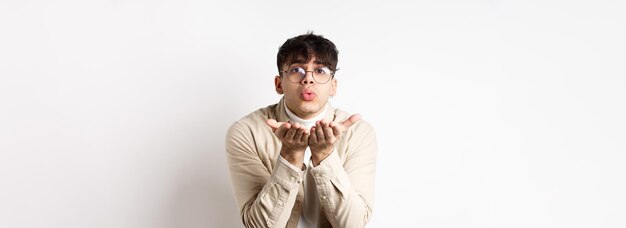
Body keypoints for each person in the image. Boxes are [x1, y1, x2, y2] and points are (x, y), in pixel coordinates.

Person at [225, 32, 377, 228]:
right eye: (297, 69)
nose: (308, 79)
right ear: (279, 84)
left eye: (320, 70)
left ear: (333, 86)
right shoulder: (246, 132)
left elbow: (352, 224)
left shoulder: (359, 133)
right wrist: (290, 157)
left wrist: (324, 155)